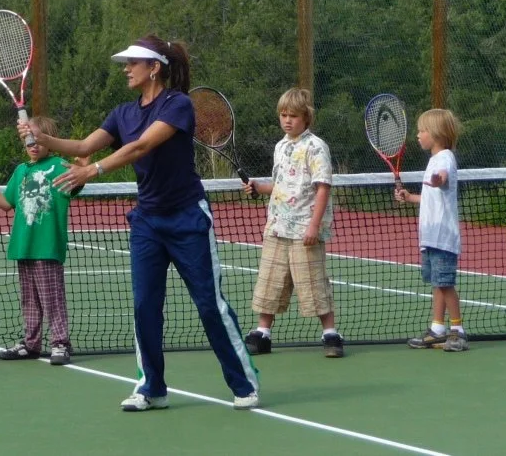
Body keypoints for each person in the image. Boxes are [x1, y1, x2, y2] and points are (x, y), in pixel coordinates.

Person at [19, 36, 259, 412]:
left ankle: (243, 383)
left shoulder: (177, 105)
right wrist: (43, 137)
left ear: (154, 67)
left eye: (133, 62)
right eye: (125, 63)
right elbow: (83, 146)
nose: (126, 69)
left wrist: (95, 170)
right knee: (145, 306)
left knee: (209, 304)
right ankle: (151, 388)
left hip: (187, 217)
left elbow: (141, 147)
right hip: (147, 221)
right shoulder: (122, 113)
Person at [0, 116, 83, 366]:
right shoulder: (21, 171)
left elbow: (78, 181)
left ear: (49, 141)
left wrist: (83, 165)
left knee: (51, 298)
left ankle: (60, 343)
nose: (32, 144)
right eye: (27, 139)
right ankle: (31, 344)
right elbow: (5, 203)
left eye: (37, 139)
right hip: (23, 245)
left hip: (47, 246)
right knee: (29, 299)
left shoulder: (59, 165)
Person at [242, 88, 343, 358]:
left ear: (306, 118)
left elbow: (323, 187)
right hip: (277, 226)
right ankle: (262, 333)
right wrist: (258, 187)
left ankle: (331, 335)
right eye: (283, 115)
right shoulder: (280, 146)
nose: (287, 120)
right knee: (270, 281)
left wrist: (313, 226)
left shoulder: (316, 147)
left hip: (304, 230)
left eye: (293, 116)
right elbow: (282, 184)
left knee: (313, 283)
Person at [394, 109, 467, 352]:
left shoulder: (444, 157)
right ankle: (437, 329)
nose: (418, 135)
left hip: (443, 238)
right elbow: (430, 198)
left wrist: (439, 179)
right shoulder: (433, 159)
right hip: (430, 237)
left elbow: (443, 178)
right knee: (437, 283)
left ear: (435, 134)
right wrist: (409, 196)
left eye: (422, 131)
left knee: (445, 284)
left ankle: (457, 331)